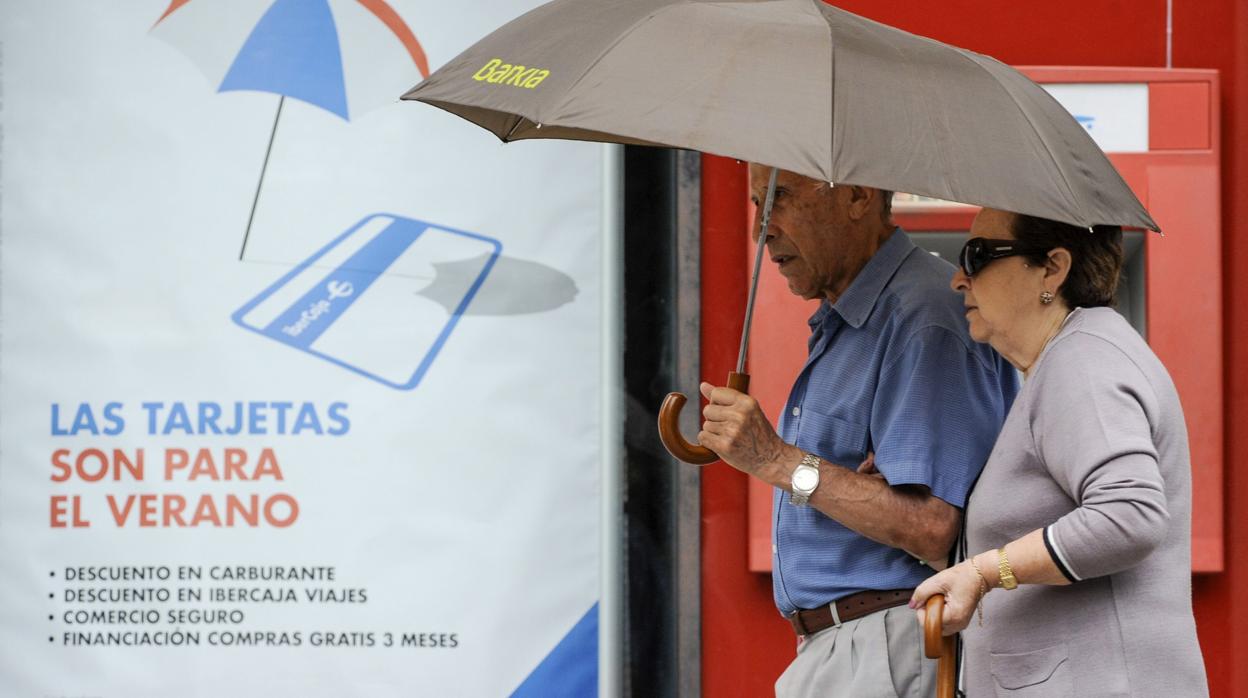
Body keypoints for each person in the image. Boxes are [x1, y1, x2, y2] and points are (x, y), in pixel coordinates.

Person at [698, 165, 1019, 697]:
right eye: (757, 205)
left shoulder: (921, 317)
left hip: (888, 643)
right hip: (849, 647)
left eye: (779, 199)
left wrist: (778, 460)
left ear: (856, 195)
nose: (761, 229)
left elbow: (932, 526)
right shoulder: (852, 315)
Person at [910, 208, 1208, 696]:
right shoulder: (1072, 358)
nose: (958, 279)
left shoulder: (1081, 362)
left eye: (977, 255)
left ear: (1053, 268)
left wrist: (986, 573)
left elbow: (1129, 514)